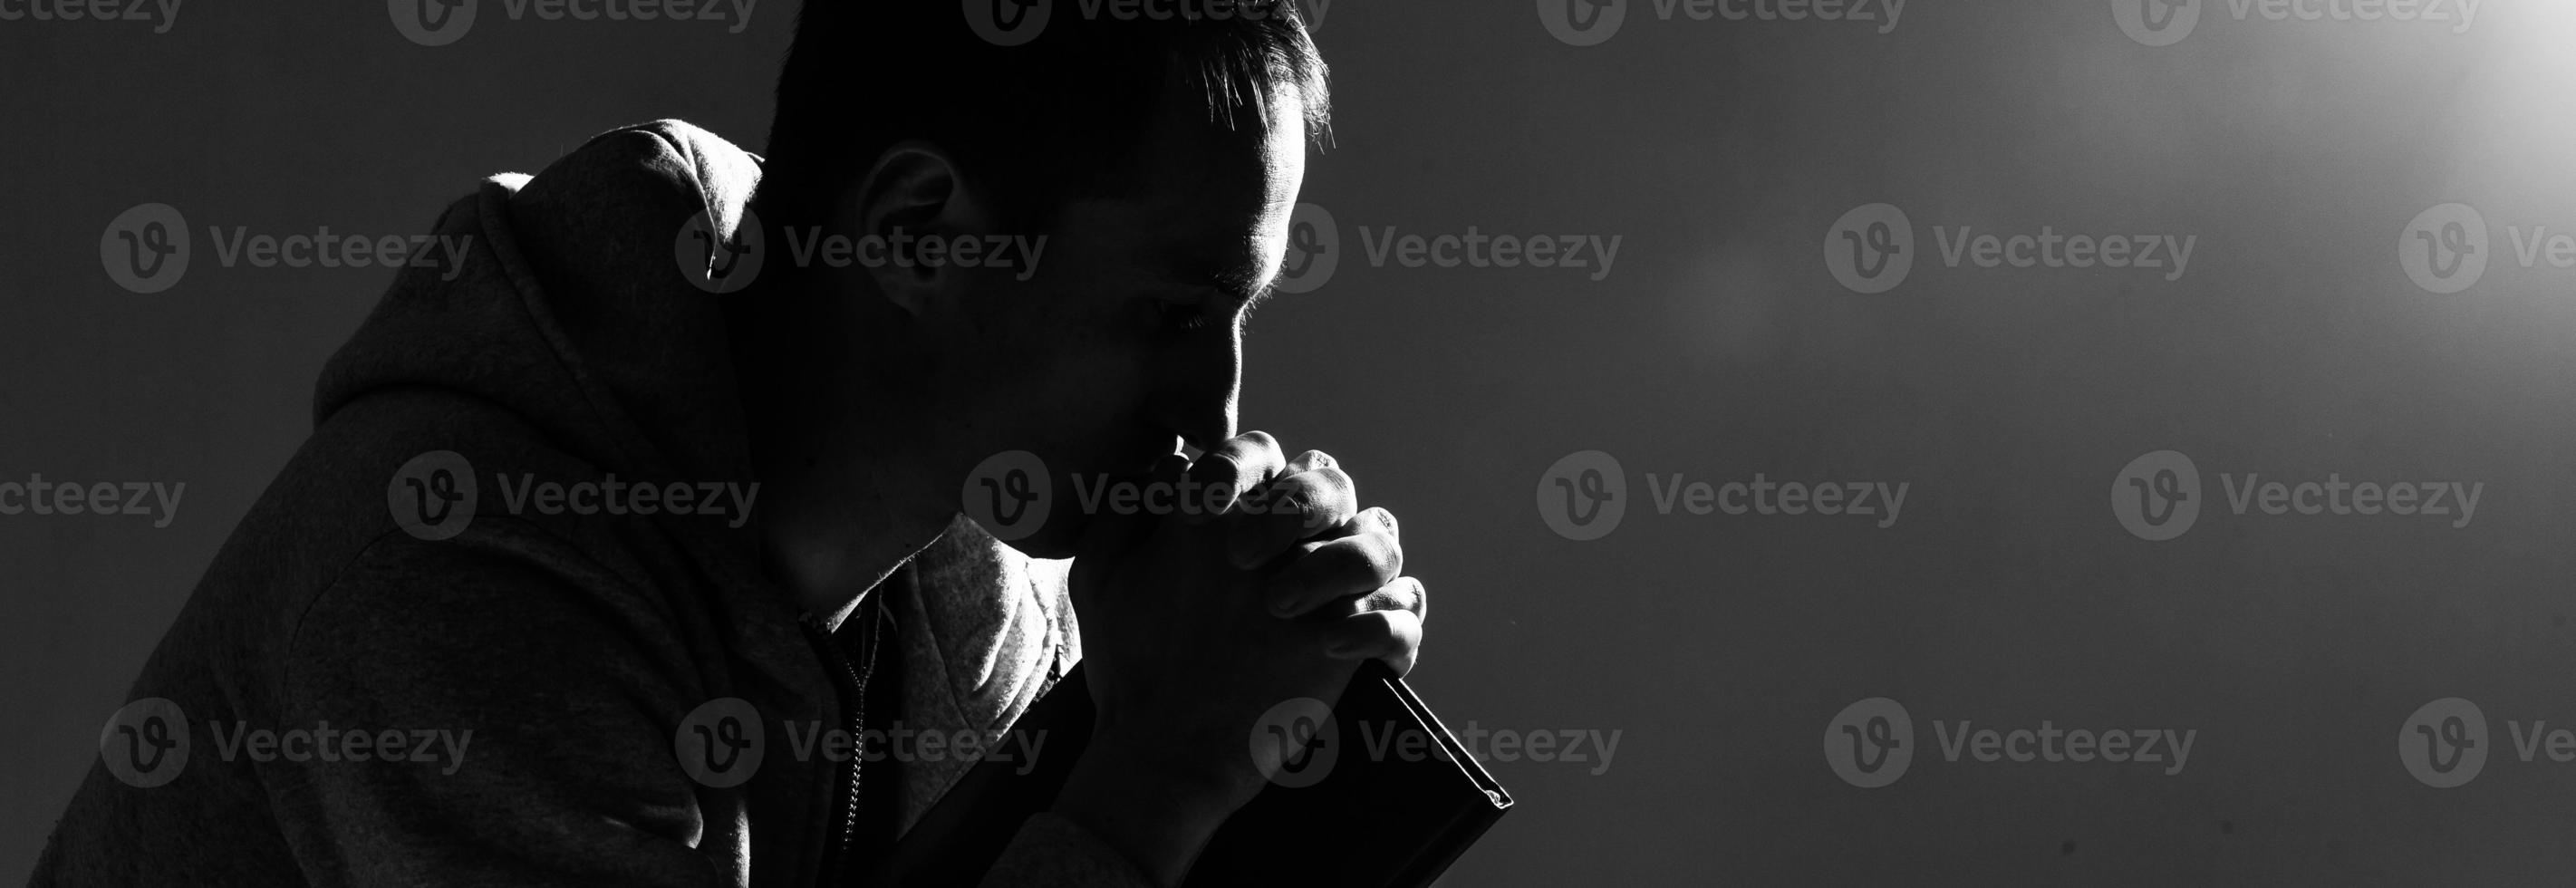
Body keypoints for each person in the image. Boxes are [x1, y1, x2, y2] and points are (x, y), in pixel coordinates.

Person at [34, 1, 1428, 885]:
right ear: (913, 232)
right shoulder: (450, 584)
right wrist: (1162, 768)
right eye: (1173, 311)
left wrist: (1191, 708)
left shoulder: (982, 591)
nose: (1217, 411)